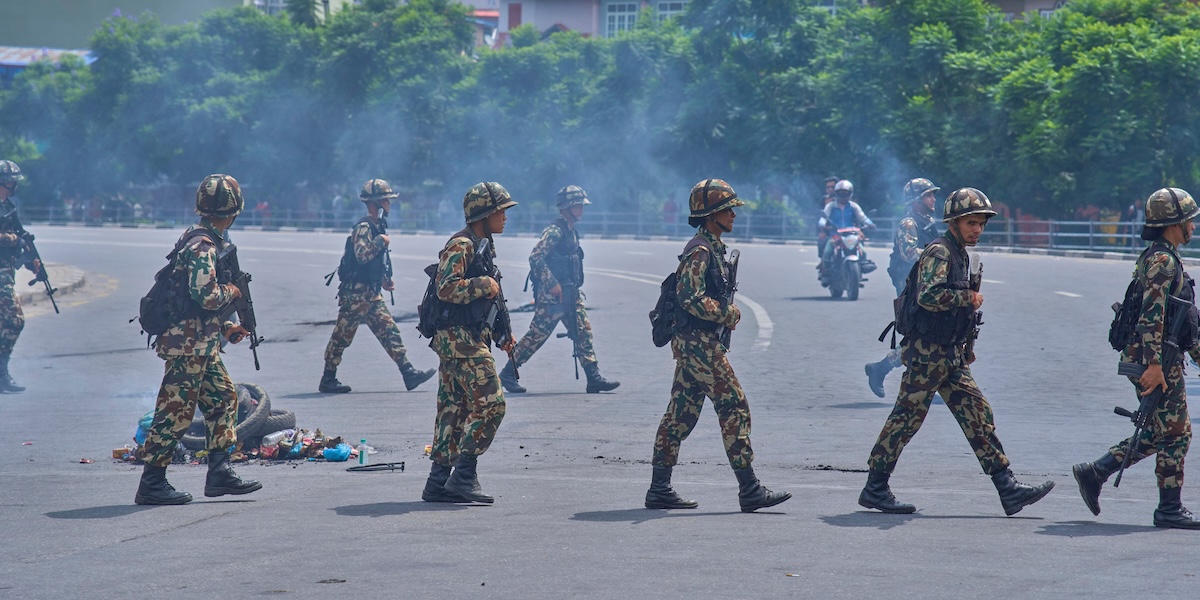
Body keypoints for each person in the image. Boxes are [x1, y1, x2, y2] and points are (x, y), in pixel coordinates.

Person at [858, 187, 1054, 516]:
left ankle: (1008, 489)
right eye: (971, 223)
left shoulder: (959, 252)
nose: (977, 229)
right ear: (954, 222)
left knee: (978, 414)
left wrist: (966, 346)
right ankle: (875, 487)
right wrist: (967, 299)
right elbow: (929, 297)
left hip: (949, 354)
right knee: (906, 419)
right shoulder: (940, 251)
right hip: (927, 353)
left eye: (981, 224)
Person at [644, 178, 792, 513]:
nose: (733, 215)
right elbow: (689, 297)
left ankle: (659, 488)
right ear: (712, 215)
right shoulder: (701, 250)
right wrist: (727, 313)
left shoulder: (711, 247)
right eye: (728, 210)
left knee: (680, 414)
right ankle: (750, 489)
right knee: (734, 406)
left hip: (695, 344)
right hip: (698, 345)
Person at [1072, 188, 1200, 529]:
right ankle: (1168, 509)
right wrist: (1155, 366)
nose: (1193, 226)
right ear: (1175, 223)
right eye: (1190, 220)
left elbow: (1182, 319)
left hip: (1158, 357)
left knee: (1166, 431)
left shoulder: (1164, 256)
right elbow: (1153, 316)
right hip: (1153, 361)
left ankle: (1096, 472)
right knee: (1175, 434)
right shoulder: (1163, 261)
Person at [135, 174, 261, 505]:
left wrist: (229, 325)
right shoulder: (203, 246)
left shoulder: (201, 238)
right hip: (186, 344)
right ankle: (152, 483)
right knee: (174, 411)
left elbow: (195, 302)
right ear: (232, 211)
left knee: (223, 398)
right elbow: (205, 296)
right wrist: (233, 291)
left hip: (200, 341)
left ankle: (219, 472)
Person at [421, 182, 517, 504]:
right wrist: (483, 284)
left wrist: (502, 334)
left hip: (463, 339)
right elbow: (445, 288)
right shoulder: (461, 245)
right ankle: (463, 476)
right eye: (500, 211)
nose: (505, 217)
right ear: (484, 214)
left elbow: (490, 301)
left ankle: (437, 482)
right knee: (492, 405)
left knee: (454, 410)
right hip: (460, 342)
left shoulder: (481, 245)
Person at [318, 179, 435, 394]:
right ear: (376, 203)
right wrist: (381, 240)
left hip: (370, 293)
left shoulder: (378, 225)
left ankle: (408, 372)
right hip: (355, 295)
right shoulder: (364, 227)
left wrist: (382, 280)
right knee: (342, 336)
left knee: (389, 331)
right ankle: (328, 378)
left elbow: (370, 263)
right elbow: (361, 256)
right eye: (387, 201)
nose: (390, 204)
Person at [499, 185, 619, 395]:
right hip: (553, 297)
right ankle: (508, 374)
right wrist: (552, 283)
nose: (582, 209)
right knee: (537, 336)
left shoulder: (571, 230)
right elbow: (535, 257)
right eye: (578, 205)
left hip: (570, 293)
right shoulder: (555, 231)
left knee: (583, 331)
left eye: (582, 205)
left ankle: (593, 377)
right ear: (567, 207)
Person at [864, 178, 941, 397]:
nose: (933, 199)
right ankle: (887, 371)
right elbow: (908, 253)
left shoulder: (927, 220)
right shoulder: (909, 223)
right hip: (911, 286)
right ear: (916, 199)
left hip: (926, 283)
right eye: (928, 195)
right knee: (922, 335)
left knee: (927, 334)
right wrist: (937, 254)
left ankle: (883, 370)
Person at [0, 160, 38, 392]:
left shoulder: (7, 207)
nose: (15, 185)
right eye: (12, 181)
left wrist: (32, 263)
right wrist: (16, 240)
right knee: (14, 320)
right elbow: (14, 239)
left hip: (6, 272)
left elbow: (21, 240)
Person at [819, 179, 874, 281]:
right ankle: (826, 272)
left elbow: (862, 217)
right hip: (835, 235)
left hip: (851, 234)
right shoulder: (831, 206)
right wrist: (822, 224)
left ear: (850, 194)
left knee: (863, 252)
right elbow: (823, 218)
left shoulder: (853, 206)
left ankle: (860, 269)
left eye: (845, 194)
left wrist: (870, 224)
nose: (843, 196)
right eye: (840, 194)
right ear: (836, 194)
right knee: (827, 252)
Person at [815, 176, 838, 259]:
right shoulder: (824, 200)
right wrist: (822, 228)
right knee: (822, 241)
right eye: (828, 187)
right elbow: (820, 214)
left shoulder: (845, 198)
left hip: (844, 228)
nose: (830, 189)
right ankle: (823, 262)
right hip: (828, 228)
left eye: (833, 187)